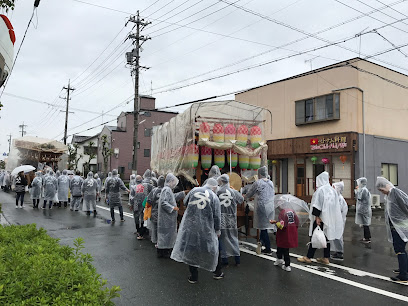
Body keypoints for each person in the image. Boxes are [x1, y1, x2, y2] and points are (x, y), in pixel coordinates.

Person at [171, 178, 222, 284]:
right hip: (206, 228)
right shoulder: (214, 197)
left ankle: (194, 276)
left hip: (191, 225)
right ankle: (217, 272)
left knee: (192, 249)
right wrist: (217, 230)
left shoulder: (194, 190)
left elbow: (185, 202)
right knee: (212, 249)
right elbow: (217, 216)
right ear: (215, 187)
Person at [298, 171, 343, 265]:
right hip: (330, 218)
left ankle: (308, 256)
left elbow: (317, 204)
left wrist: (317, 217)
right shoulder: (332, 190)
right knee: (326, 236)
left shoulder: (321, 190)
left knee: (315, 235)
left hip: (321, 217)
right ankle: (326, 257)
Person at [376, 177, 408, 283]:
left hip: (400, 227)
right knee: (401, 248)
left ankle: (403, 275)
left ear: (385, 186)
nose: (382, 192)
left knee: (399, 249)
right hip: (397, 226)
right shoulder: (390, 194)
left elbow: (405, 206)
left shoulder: (395, 193)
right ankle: (404, 269)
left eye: (381, 190)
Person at [243, 166, 275, 255]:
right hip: (270, 207)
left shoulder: (258, 183)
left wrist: (244, 197)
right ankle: (261, 243)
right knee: (264, 227)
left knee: (263, 228)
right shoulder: (271, 183)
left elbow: (250, 193)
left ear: (259, 174)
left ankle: (268, 248)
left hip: (262, 207)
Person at [216, 174, 244, 267]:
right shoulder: (233, 191)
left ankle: (225, 260)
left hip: (221, 217)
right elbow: (241, 199)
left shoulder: (218, 191)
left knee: (222, 238)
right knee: (233, 237)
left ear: (221, 181)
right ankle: (238, 259)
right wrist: (235, 191)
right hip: (231, 217)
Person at [157, 174, 185, 258]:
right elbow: (163, 202)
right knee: (165, 235)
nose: (174, 184)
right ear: (171, 181)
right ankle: (163, 252)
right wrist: (173, 208)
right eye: (174, 182)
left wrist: (183, 193)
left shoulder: (168, 190)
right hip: (166, 218)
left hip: (168, 218)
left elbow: (172, 197)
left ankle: (164, 250)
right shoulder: (166, 190)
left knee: (167, 235)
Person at [270, 204, 300, 272]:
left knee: (283, 247)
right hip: (291, 232)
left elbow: (281, 226)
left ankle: (287, 265)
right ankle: (280, 259)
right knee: (283, 247)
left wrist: (275, 222)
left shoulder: (282, 213)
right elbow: (297, 222)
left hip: (284, 233)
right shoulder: (292, 211)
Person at [330, 181, 348, 261]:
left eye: (334, 187)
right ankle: (337, 251)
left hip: (338, 221)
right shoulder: (336, 197)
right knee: (335, 236)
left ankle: (340, 253)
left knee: (338, 236)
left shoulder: (340, 199)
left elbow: (339, 210)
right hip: (336, 220)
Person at [130, 175, 152, 239]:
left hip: (136, 204)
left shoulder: (134, 187)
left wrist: (131, 204)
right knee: (143, 217)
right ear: (142, 179)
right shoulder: (146, 185)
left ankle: (138, 230)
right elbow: (153, 190)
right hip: (144, 203)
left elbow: (131, 197)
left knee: (136, 217)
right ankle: (142, 231)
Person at [146, 175, 165, 246]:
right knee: (162, 228)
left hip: (154, 212)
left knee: (155, 228)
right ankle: (161, 242)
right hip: (163, 213)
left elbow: (149, 200)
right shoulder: (166, 190)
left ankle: (155, 241)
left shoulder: (154, 190)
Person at [355, 177, 372, 243]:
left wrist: (356, 191)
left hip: (364, 210)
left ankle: (367, 238)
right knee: (365, 224)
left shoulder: (364, 190)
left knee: (365, 224)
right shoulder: (363, 189)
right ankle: (366, 237)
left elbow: (360, 198)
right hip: (363, 209)